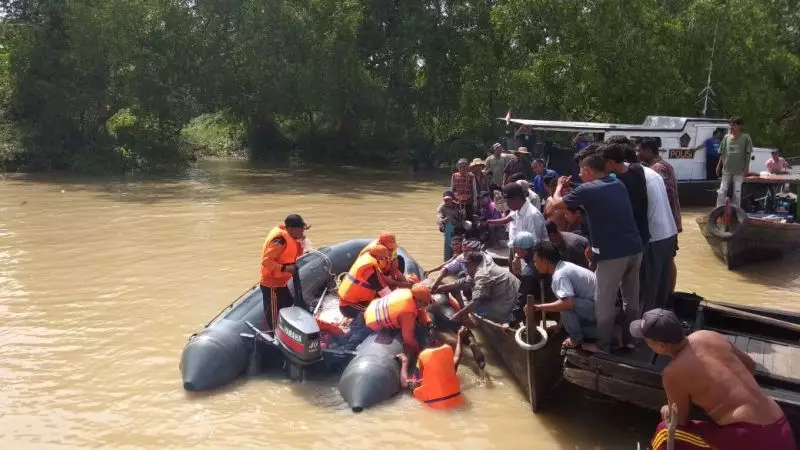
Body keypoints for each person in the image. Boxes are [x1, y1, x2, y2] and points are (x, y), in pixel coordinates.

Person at [630, 309, 795, 450]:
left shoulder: (672, 372)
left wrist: (668, 408)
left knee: (664, 432)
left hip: (753, 438)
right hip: (781, 424)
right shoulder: (707, 335)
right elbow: (750, 366)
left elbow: (679, 420)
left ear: (661, 346)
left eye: (647, 340)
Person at [546, 154, 643, 354]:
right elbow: (592, 196)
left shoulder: (588, 189)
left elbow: (555, 204)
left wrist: (558, 187)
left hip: (613, 254)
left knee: (603, 301)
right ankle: (630, 340)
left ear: (588, 170)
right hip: (635, 248)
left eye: (581, 171)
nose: (579, 175)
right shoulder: (616, 183)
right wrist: (572, 190)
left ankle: (603, 346)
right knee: (631, 299)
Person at [528, 242, 596, 350]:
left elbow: (567, 304)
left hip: (598, 308)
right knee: (564, 304)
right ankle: (610, 332)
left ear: (545, 261)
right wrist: (559, 326)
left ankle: (576, 338)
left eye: (535, 261)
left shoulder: (560, 275)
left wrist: (539, 307)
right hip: (598, 306)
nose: (534, 264)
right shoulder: (564, 266)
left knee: (565, 305)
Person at [638, 137, 681, 293]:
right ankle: (669, 292)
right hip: (672, 220)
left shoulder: (657, 169)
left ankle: (668, 292)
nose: (638, 153)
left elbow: (665, 197)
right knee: (668, 259)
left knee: (667, 261)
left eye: (640, 150)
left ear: (649, 151)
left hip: (667, 222)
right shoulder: (666, 165)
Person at [259, 214, 309, 331]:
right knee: (274, 316)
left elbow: (292, 255)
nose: (302, 232)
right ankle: (274, 335)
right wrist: (285, 269)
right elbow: (267, 261)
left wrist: (301, 242)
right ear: (291, 228)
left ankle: (288, 329)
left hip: (281, 282)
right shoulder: (280, 240)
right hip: (272, 285)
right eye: (300, 229)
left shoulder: (291, 238)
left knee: (289, 305)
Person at [640, 165, 679, 311]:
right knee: (661, 280)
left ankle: (649, 322)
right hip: (669, 228)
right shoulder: (654, 172)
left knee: (649, 285)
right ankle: (662, 311)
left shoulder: (653, 171)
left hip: (655, 235)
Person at [397, 328, 465, 409]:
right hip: (456, 403)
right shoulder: (449, 356)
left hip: (433, 406)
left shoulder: (423, 356)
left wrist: (404, 361)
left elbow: (405, 383)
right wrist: (460, 337)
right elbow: (457, 356)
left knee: (409, 384)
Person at [362, 284, 433, 356]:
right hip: (373, 322)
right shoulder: (407, 313)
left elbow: (420, 309)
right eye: (424, 304)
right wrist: (419, 351)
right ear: (418, 301)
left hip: (372, 307)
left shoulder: (406, 291)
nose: (424, 306)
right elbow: (408, 339)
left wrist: (428, 321)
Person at [450, 252, 520, 325]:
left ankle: (493, 323)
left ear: (472, 264)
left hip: (509, 310)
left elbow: (477, 300)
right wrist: (444, 287)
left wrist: (460, 314)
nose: (466, 268)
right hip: (515, 303)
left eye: (467, 265)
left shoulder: (482, 274)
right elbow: (465, 281)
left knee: (476, 308)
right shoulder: (487, 267)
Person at [601, 142, 650, 245]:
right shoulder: (637, 169)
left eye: (603, 163)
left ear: (610, 162)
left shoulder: (617, 182)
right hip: (642, 233)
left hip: (629, 238)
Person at [487, 183, 548, 254]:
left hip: (530, 255)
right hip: (519, 250)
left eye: (508, 201)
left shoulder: (532, 215)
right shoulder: (517, 209)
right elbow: (507, 219)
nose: (507, 204)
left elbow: (535, 243)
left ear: (516, 199)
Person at [338, 244, 393, 318]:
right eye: (385, 258)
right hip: (349, 306)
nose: (386, 260)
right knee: (379, 316)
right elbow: (384, 291)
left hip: (358, 301)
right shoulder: (369, 271)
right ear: (378, 257)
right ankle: (352, 321)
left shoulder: (367, 260)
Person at [716, 117, 753, 208]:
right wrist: (718, 166)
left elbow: (748, 154)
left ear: (739, 126)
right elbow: (722, 153)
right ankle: (719, 209)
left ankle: (736, 210)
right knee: (722, 190)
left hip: (739, 170)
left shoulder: (746, 137)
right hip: (726, 169)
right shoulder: (726, 138)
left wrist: (746, 168)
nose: (731, 127)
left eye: (733, 125)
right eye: (730, 125)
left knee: (737, 191)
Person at [509, 231, 538, 303]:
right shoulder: (536, 257)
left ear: (522, 249)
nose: (515, 250)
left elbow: (521, 299)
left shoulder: (528, 272)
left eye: (516, 248)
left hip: (536, 301)